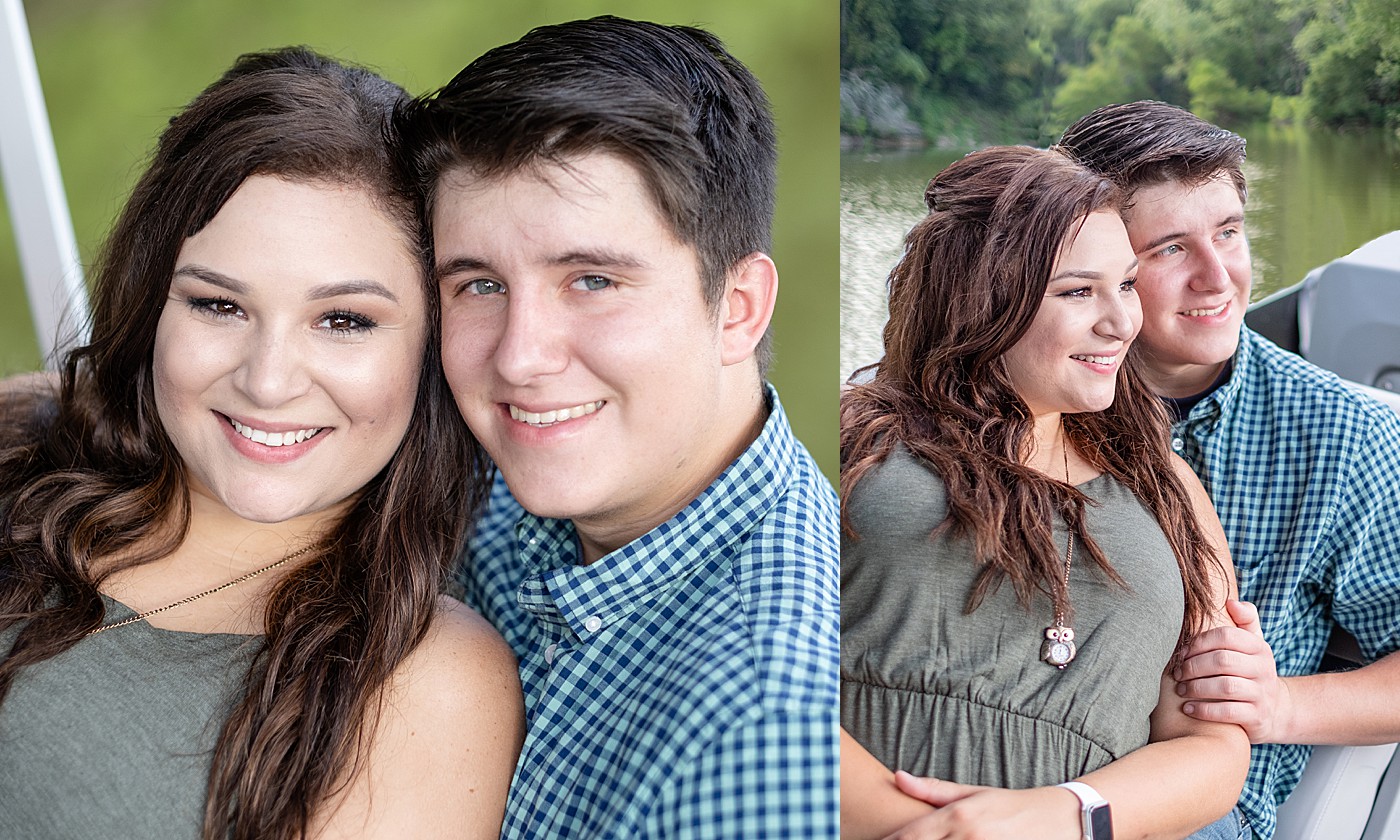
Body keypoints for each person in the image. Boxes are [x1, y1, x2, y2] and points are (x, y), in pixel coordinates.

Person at [0, 48, 523, 839]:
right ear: (152, 307)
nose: (269, 381)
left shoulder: (430, 682)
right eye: (218, 305)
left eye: (344, 320)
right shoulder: (23, 455)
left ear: (433, 347)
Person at [395, 16, 840, 838]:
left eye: (592, 280)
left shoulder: (758, 730)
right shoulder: (481, 468)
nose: (520, 359)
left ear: (737, 309)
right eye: (480, 285)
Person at [840, 145, 1250, 840]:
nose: (1122, 322)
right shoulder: (858, 437)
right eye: (1077, 291)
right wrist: (929, 829)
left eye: (1125, 286)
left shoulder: (1167, 487)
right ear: (982, 299)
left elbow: (1213, 746)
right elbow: (750, 670)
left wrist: (1064, 814)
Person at [1049, 100, 1400, 840]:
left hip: (1197, 806)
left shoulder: (1348, 438)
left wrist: (1281, 705)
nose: (1218, 278)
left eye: (1230, 234)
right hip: (1013, 754)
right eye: (1170, 248)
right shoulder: (1014, 398)